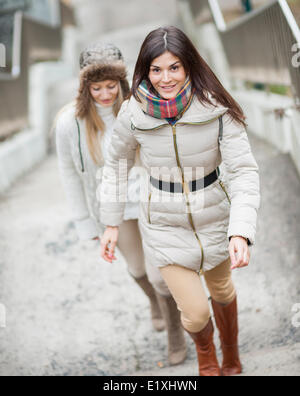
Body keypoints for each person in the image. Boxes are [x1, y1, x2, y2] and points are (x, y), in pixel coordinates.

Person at [99, 27, 260, 376]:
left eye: (174, 67)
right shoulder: (132, 113)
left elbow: (245, 171)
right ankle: (208, 362)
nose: (165, 78)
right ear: (145, 70)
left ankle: (230, 355)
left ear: (188, 66)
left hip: (215, 217)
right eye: (156, 69)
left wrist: (240, 231)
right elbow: (116, 167)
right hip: (163, 225)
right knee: (197, 312)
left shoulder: (216, 106)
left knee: (222, 289)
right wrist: (111, 222)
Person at [55, 42, 187, 366]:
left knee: (159, 273)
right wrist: (85, 223)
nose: (104, 94)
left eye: (110, 86)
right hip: (112, 209)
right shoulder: (69, 124)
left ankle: (174, 329)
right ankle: (154, 302)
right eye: (96, 87)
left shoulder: (138, 106)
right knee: (138, 268)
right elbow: (69, 174)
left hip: (149, 199)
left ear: (121, 82)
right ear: (84, 86)